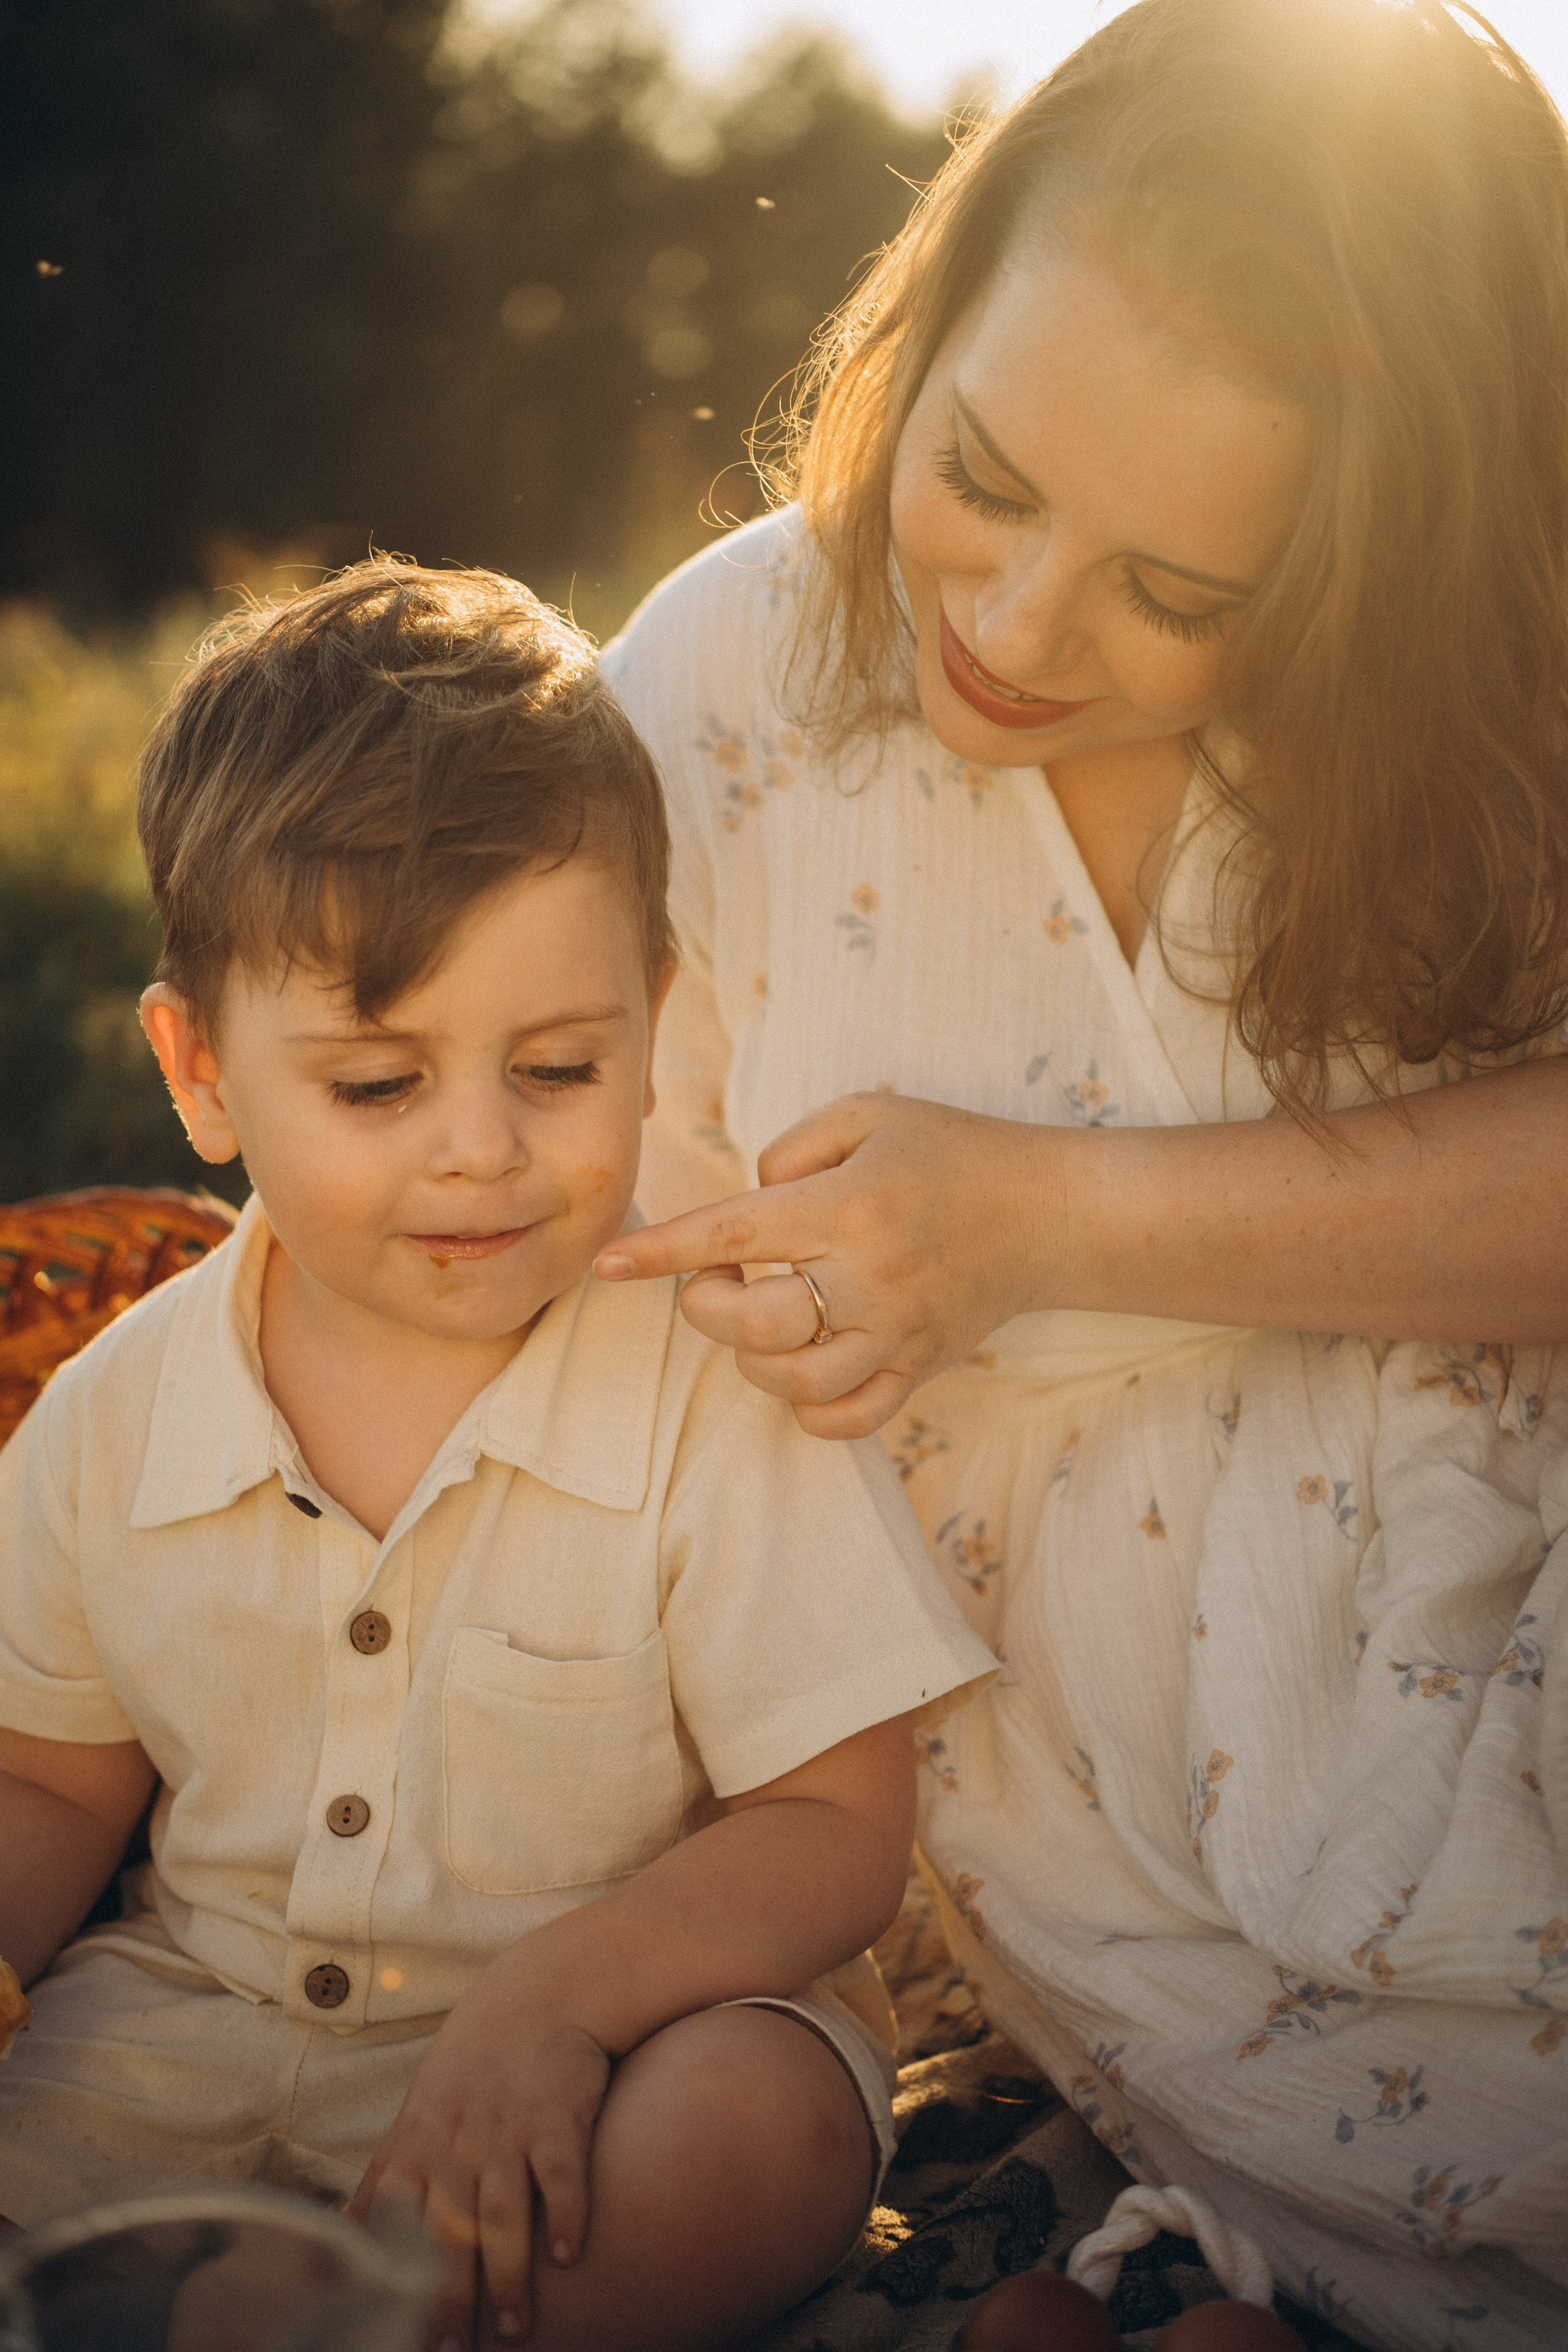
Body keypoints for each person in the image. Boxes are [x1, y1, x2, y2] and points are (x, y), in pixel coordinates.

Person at [594, 2, 1568, 2345]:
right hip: (1087, 1809)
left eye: (1180, 596)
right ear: (922, 323)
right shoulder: (728, 687)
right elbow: (542, 1262)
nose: (1014, 631)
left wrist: (1040, 1216)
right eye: (987, 475)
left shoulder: (1482, 720)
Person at [0, 562, 998, 2352]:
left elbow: (836, 1832)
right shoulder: (111, 1413)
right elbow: (59, 1791)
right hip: (189, 2030)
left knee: (767, 2122)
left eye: (555, 1067)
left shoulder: (716, 1384)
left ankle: (436, 2321)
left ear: (654, 1015)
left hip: (610, 2046)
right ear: (202, 1073)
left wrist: (556, 2001)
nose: (482, 1154)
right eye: (378, 1088)